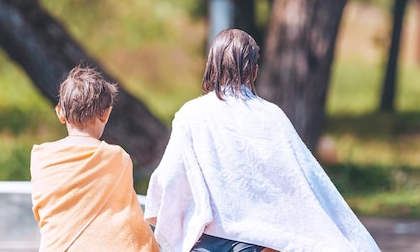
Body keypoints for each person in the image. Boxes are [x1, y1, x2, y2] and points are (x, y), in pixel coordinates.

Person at [144, 29, 381, 252]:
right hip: (258, 244)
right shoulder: (272, 115)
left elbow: (171, 177)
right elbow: (298, 182)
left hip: (206, 241)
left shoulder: (192, 113)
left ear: (211, 67)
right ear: (254, 71)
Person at [30, 65, 160, 252]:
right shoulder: (116, 157)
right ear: (106, 113)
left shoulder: (41, 158)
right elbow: (127, 220)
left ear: (60, 113)